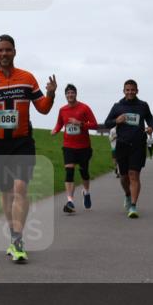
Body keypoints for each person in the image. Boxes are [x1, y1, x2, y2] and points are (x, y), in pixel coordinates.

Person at [0, 35, 55, 263]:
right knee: (6, 192)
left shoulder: (27, 79)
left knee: (20, 188)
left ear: (14, 52)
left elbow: (43, 109)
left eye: (7, 50)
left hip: (23, 142)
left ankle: (17, 239)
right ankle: (13, 234)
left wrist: (52, 94)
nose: (3, 54)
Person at [103, 80, 153, 219]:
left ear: (137, 90)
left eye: (132, 90)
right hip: (122, 145)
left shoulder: (143, 106)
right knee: (124, 177)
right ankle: (127, 194)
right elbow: (107, 123)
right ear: (123, 91)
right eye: (127, 90)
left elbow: (150, 118)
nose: (130, 92)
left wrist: (151, 127)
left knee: (134, 174)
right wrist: (116, 121)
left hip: (138, 145)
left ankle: (133, 206)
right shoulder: (118, 106)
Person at [51, 84, 98, 213]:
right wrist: (55, 130)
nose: (70, 95)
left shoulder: (84, 108)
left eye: (72, 93)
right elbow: (60, 123)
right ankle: (70, 201)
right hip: (68, 146)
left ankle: (86, 192)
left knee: (84, 173)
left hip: (83, 146)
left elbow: (94, 125)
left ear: (76, 94)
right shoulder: (62, 110)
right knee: (69, 172)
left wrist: (80, 123)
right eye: (68, 93)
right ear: (65, 95)